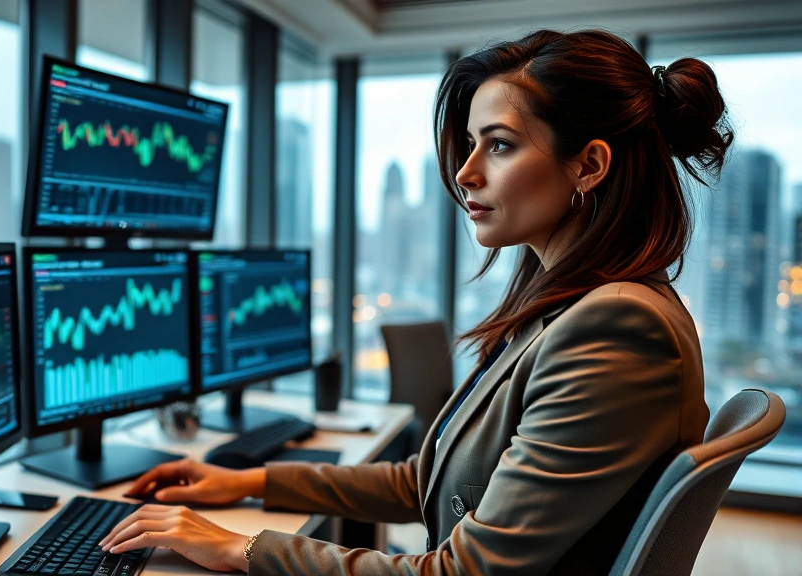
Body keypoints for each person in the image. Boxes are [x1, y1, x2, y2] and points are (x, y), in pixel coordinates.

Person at [98, 28, 733, 575]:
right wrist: (248, 482)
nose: (466, 171)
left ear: (588, 166)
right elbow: (428, 482)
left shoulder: (616, 326)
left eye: (500, 144)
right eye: (471, 142)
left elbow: (465, 569)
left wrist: (243, 549)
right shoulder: (571, 307)